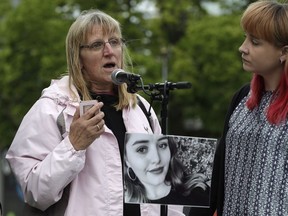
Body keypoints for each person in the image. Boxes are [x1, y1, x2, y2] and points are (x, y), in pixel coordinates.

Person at [5, 9, 185, 216]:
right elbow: (34, 192)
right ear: (78, 58)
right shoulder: (52, 108)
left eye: (115, 42)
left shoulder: (141, 108)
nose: (109, 51)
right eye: (97, 45)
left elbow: (162, 190)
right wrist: (73, 146)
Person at [210, 1, 288, 216]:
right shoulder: (242, 97)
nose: (242, 48)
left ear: (284, 51)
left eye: (255, 42)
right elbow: (220, 173)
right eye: (245, 38)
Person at [124, 133, 211, 215]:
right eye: (142, 149)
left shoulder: (198, 192)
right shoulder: (120, 204)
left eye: (162, 145)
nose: (156, 159)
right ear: (126, 160)